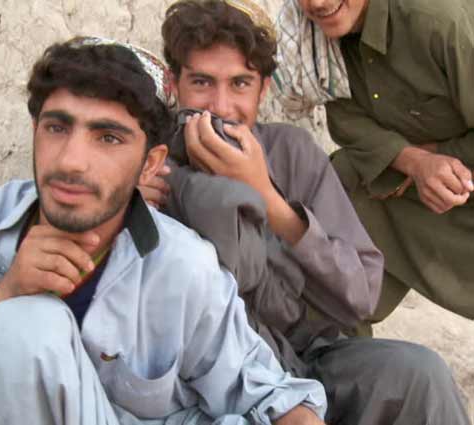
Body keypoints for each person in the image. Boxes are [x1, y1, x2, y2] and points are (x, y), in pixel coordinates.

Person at [0, 36, 328, 425]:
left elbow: (271, 394)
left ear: (150, 164)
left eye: (108, 138)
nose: (71, 161)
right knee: (17, 326)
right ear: (35, 129)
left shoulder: (184, 267)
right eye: (57, 128)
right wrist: (3, 294)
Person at [138, 1, 472, 424]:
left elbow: (360, 295)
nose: (220, 106)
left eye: (240, 84)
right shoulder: (150, 162)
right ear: (175, 84)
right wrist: (130, 203)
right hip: (215, 376)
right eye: (202, 82)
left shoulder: (291, 152)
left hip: (310, 356)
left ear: (263, 89)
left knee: (418, 373)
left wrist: (269, 198)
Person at [290, 0, 474, 327]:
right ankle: (333, 344)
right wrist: (415, 161)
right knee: (341, 185)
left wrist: (441, 158)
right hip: (410, 187)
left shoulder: (438, 21)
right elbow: (346, 120)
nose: (317, 3)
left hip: (462, 186)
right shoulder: (310, 33)